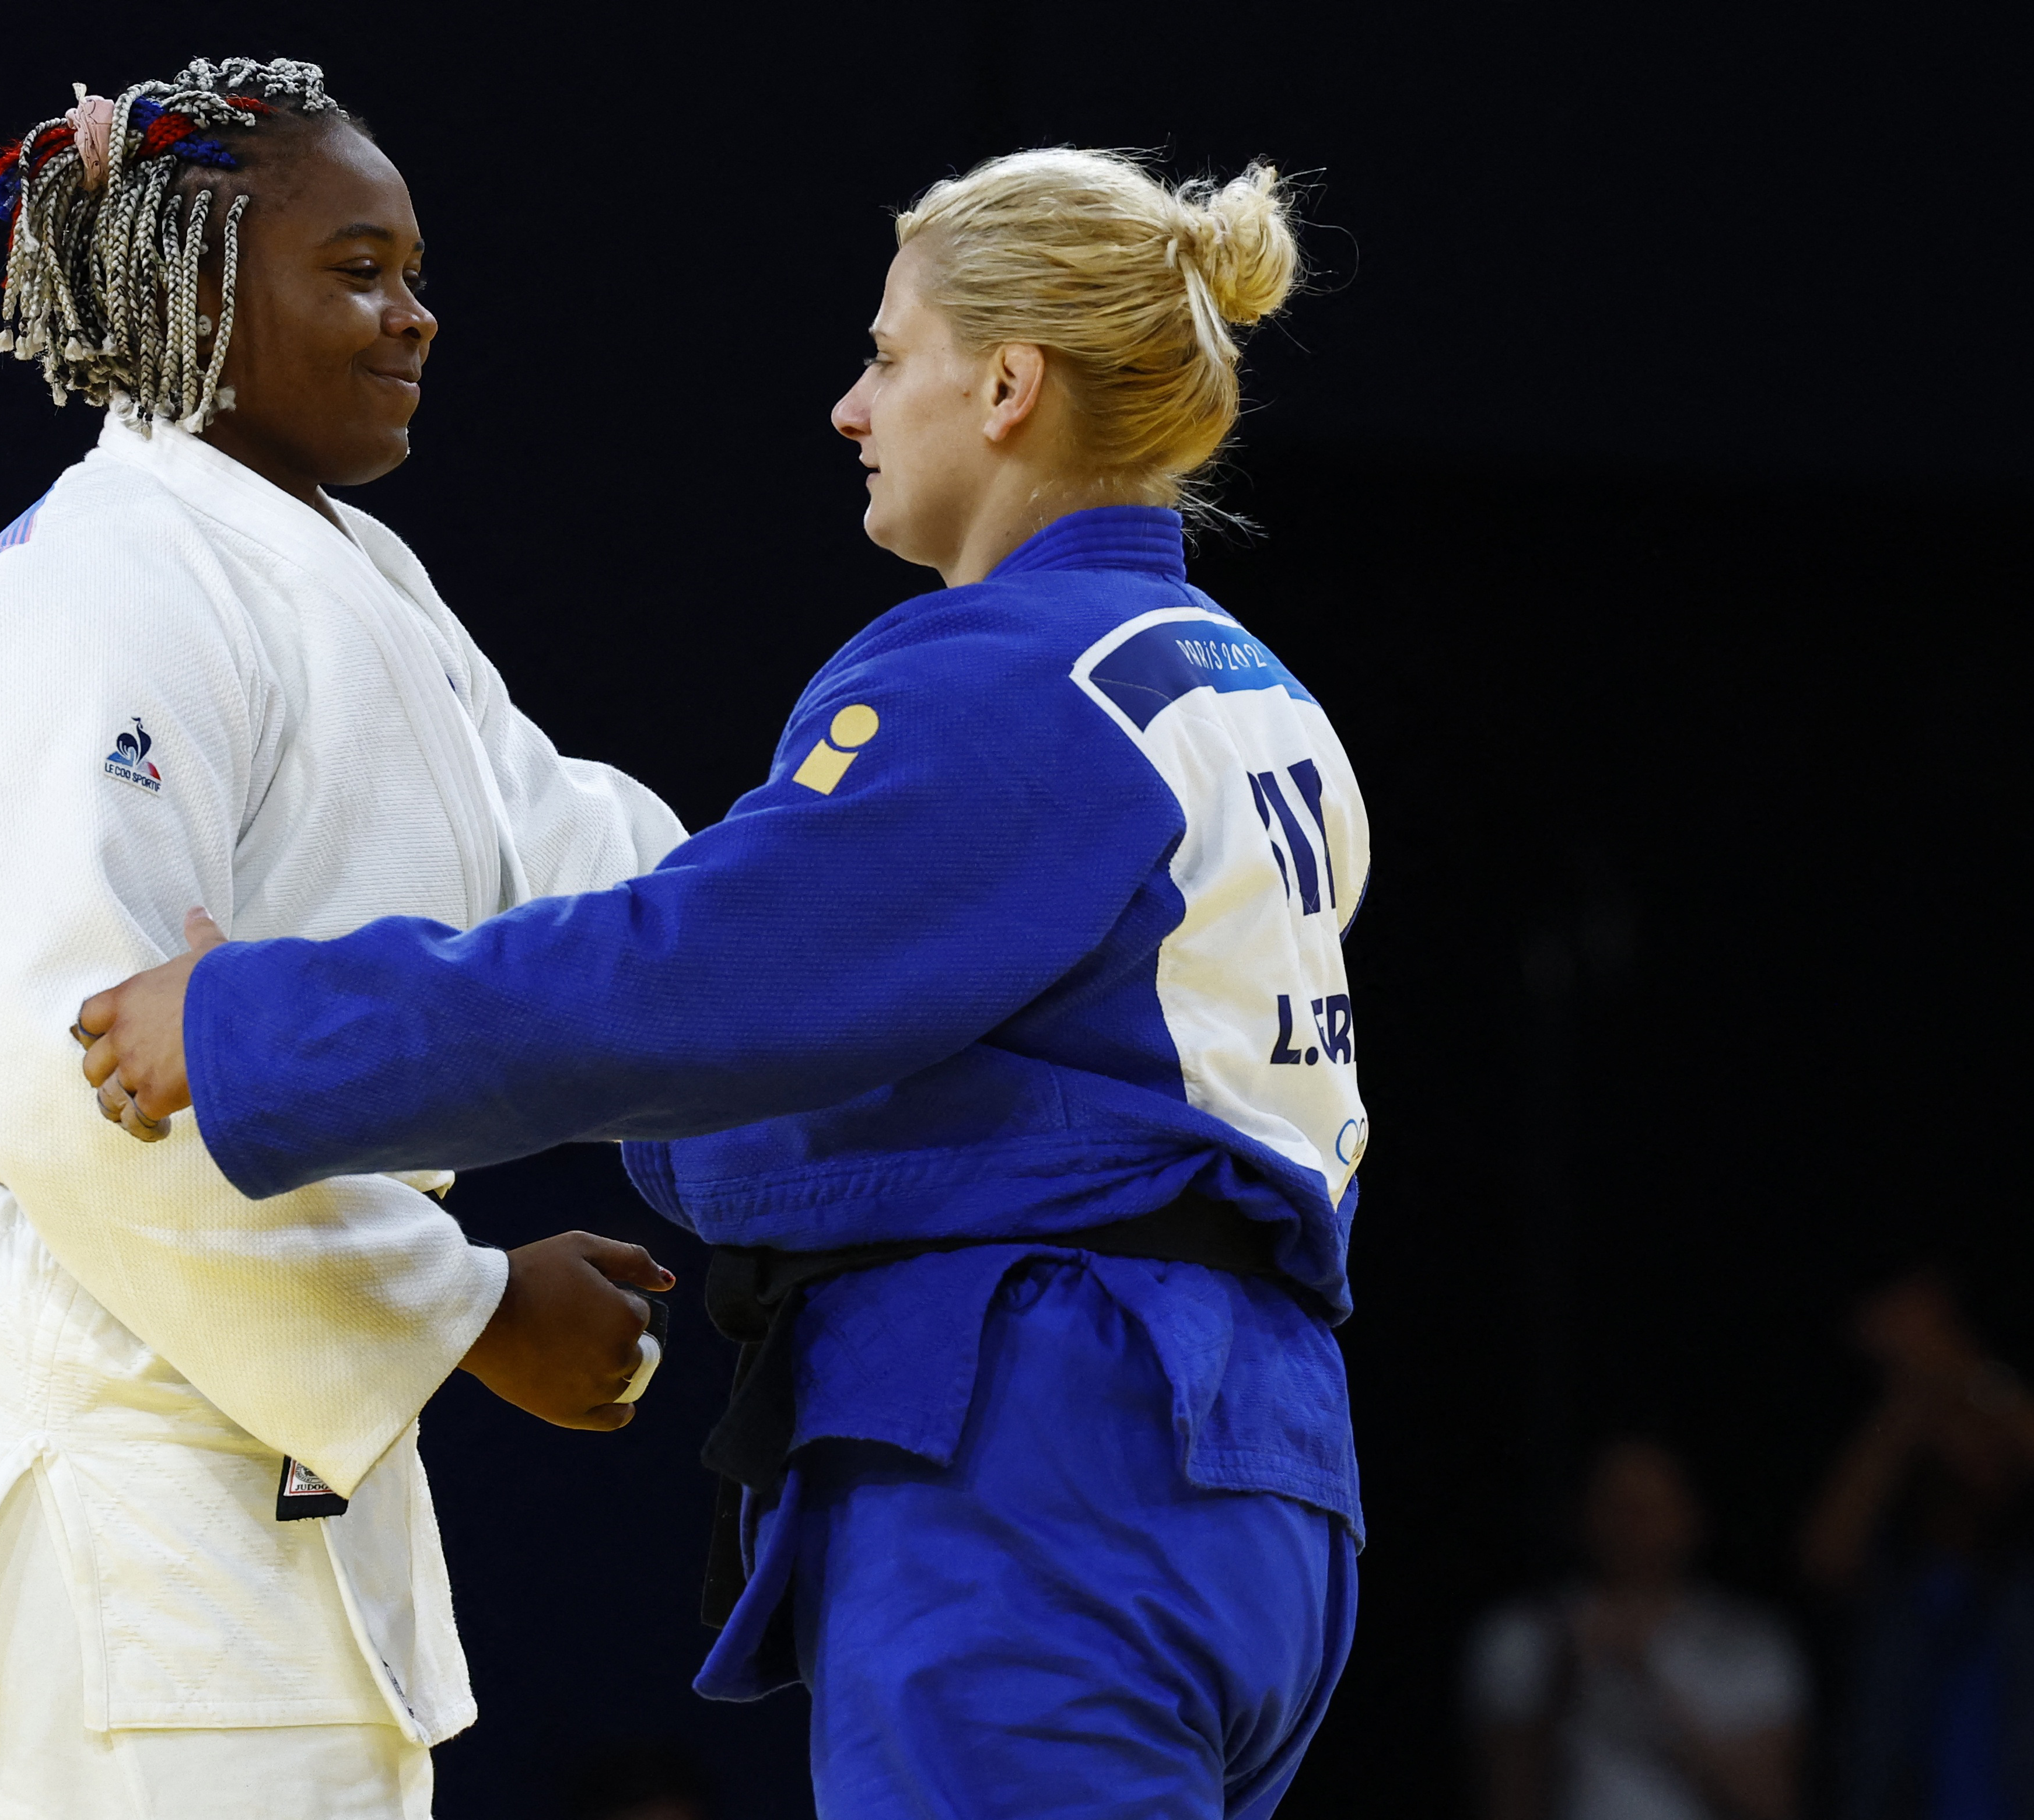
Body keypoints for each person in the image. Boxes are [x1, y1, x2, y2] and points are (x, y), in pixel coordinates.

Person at [79, 147, 1363, 1817]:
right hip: (1259, 1476)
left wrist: (260, 1024)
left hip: (1051, 1457)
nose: (850, 407)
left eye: (887, 357)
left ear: (1006, 384)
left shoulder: (1008, 681)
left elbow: (683, 988)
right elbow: (900, 1074)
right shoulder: (1243, 695)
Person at [0, 57, 684, 1819]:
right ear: (196, 294)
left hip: (205, 1428)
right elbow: (74, 1074)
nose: (416, 313)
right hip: (92, 1417)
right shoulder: (94, 594)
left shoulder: (345, 575)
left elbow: (590, 878)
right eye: (358, 268)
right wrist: (473, 1308)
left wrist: (869, 891)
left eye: (409, 269)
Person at [1801, 1273, 2034, 1820]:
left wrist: (1969, 1374)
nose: (1963, 1442)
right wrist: (1911, 1400)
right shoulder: (1892, 1573)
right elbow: (1824, 1556)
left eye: (1974, 1425)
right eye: (1946, 1426)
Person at [1466, 1440, 1808, 1820]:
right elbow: (1509, 1799)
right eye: (1618, 1508)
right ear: (1584, 1515)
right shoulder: (1526, 1634)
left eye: (1649, 1511)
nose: (1632, 1527)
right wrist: (1561, 1682)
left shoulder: (1748, 1639)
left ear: (1690, 1516)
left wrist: (1651, 1682)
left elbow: (1770, 1803)